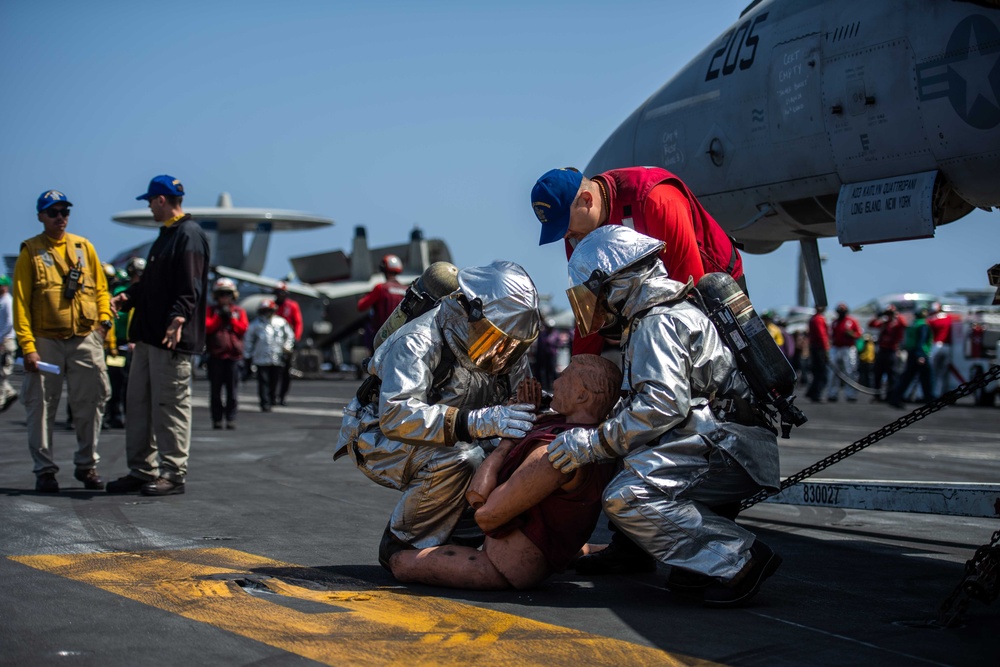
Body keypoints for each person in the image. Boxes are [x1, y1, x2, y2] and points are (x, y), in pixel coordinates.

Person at [546, 226, 781, 608]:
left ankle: (738, 559)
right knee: (619, 454)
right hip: (722, 442)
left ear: (615, 283)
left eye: (595, 292)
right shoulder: (655, 317)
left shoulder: (658, 322)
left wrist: (593, 443)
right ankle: (687, 557)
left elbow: (662, 404)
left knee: (627, 496)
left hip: (723, 447)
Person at [338, 260, 540, 574]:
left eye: (510, 344)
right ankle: (404, 542)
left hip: (451, 433)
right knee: (462, 457)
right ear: (470, 312)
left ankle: (461, 532)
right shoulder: (419, 339)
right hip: (377, 435)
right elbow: (396, 414)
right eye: (495, 338)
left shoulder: (503, 346)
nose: (503, 353)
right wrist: (475, 423)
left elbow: (517, 404)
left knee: (511, 451)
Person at [389, 355, 622, 590]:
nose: (556, 381)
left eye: (565, 377)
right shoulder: (599, 439)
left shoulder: (554, 454)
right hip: (556, 547)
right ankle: (582, 552)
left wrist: (506, 444)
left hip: (504, 566)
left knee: (400, 562)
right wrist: (528, 413)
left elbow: (486, 513)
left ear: (582, 396)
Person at [531, 166, 744, 356]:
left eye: (564, 225)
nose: (565, 236)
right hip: (651, 308)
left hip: (713, 288)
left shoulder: (654, 198)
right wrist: (580, 366)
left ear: (587, 200)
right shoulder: (576, 234)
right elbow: (589, 313)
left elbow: (690, 284)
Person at [106, 175, 209, 497]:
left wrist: (178, 316)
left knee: (169, 406)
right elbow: (153, 283)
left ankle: (173, 473)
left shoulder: (188, 235)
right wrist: (130, 296)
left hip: (170, 339)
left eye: (150, 201)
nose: (149, 207)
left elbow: (191, 285)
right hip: (149, 338)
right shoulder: (165, 236)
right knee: (138, 405)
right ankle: (141, 469)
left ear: (161, 200)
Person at [12, 190, 113, 492]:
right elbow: (20, 302)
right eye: (53, 212)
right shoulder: (30, 251)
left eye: (64, 211)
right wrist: (28, 347)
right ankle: (45, 470)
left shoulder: (84, 247)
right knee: (41, 406)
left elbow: (102, 289)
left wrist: (105, 322)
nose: (60, 217)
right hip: (46, 342)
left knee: (91, 402)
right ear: (40, 216)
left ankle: (87, 466)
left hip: (85, 337)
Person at [104, 258, 145, 429]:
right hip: (119, 344)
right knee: (115, 382)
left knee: (128, 384)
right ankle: (113, 416)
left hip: (130, 344)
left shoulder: (138, 293)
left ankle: (125, 417)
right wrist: (112, 344)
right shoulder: (123, 292)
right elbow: (112, 320)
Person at [205, 278, 248, 428]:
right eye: (221, 294)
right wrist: (219, 318)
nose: (224, 297)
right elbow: (207, 328)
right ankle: (217, 419)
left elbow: (243, 329)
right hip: (216, 356)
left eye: (228, 294)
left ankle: (231, 418)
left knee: (233, 391)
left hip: (233, 357)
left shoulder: (238, 312)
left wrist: (231, 319)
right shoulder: (211, 311)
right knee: (215, 391)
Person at [243, 299, 293, 412]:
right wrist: (248, 355)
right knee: (263, 380)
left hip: (277, 356)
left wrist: (287, 348)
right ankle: (264, 402)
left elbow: (289, 336)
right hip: (261, 357)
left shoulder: (281, 322)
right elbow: (249, 340)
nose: (267, 313)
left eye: (269, 310)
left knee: (275, 379)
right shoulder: (255, 324)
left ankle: (272, 398)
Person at [357, 254, 408, 353]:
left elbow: (361, 306)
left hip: (381, 338)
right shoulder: (405, 290)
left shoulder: (380, 288)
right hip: (400, 337)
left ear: (383, 270)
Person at [888, 308, 934, 407]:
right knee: (926, 377)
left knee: (907, 377)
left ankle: (896, 397)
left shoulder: (912, 324)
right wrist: (921, 355)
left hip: (911, 352)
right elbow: (921, 341)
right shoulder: (923, 325)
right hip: (919, 353)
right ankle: (929, 399)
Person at [273, 281, 302, 406]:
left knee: (286, 371)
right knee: (273, 371)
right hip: (273, 343)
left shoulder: (292, 306)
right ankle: (272, 395)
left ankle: (282, 396)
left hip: (287, 343)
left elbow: (298, 322)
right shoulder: (272, 306)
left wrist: (296, 338)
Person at [868, 305, 907, 401]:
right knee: (877, 373)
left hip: (892, 351)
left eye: (890, 314)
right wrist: (878, 316)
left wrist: (896, 315)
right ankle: (877, 395)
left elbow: (904, 324)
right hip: (882, 350)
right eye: (887, 314)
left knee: (892, 374)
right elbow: (872, 324)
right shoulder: (883, 323)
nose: (889, 316)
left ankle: (890, 395)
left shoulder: (896, 323)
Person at [827, 303, 862, 402]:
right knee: (833, 372)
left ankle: (851, 394)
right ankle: (832, 393)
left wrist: (852, 334)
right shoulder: (834, 322)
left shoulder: (852, 321)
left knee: (850, 370)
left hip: (848, 348)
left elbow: (859, 334)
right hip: (836, 348)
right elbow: (830, 335)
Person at [928, 303, 959, 396]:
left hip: (936, 346)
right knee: (943, 373)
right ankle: (939, 393)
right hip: (947, 347)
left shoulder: (932, 320)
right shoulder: (949, 318)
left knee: (932, 371)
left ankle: (931, 393)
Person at [0, 275, 18, 413]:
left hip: (5, 341)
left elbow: (10, 323)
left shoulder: (8, 302)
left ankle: (0, 402)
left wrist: (1, 339)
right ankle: (10, 393)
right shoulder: (2, 301)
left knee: (1, 374)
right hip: (3, 340)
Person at [806, 305, 830, 402]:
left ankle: (812, 391)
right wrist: (826, 349)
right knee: (822, 373)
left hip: (815, 347)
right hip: (819, 348)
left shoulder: (813, 319)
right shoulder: (819, 319)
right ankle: (816, 393)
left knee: (817, 371)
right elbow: (822, 335)